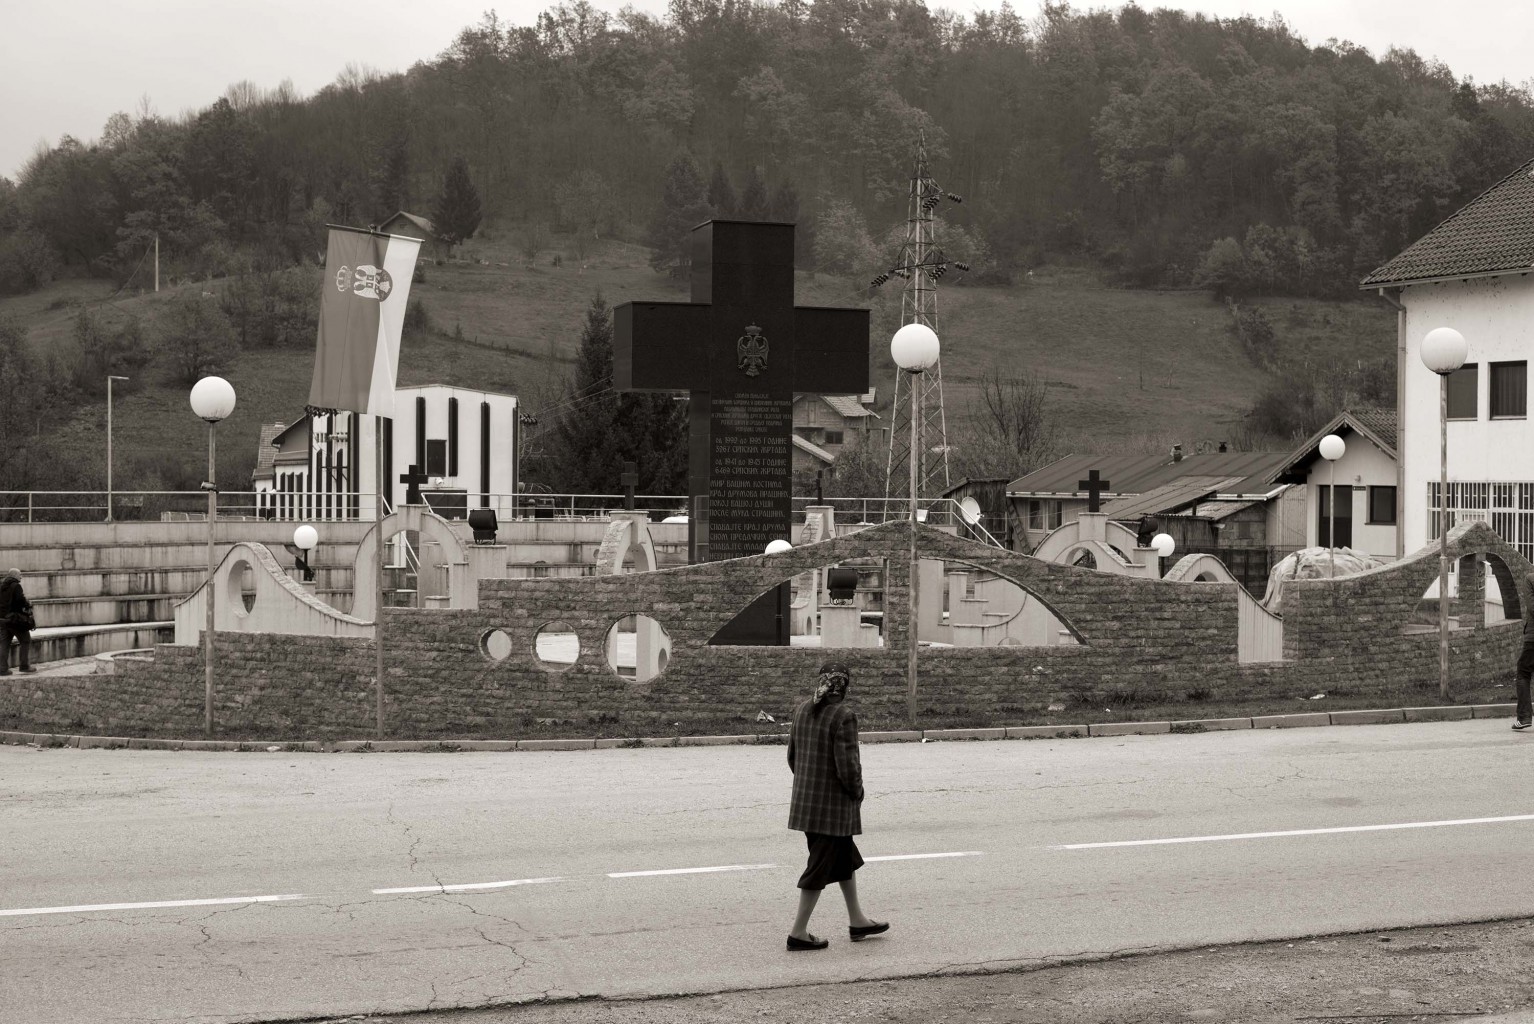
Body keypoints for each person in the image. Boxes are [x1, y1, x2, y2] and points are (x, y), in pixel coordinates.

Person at [785, 661, 887, 951]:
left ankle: (858, 921)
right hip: (832, 808)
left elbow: (792, 758)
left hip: (807, 803)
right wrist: (858, 792)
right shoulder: (843, 715)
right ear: (844, 687)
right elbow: (848, 768)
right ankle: (798, 933)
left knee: (844, 861)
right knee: (818, 869)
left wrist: (809, 784)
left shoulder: (803, 709)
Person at [0, 567, 36, 676]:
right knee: (25, 640)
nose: (21, 576)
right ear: (15, 575)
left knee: (4, 644)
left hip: (2, 619)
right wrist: (27, 604)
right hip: (14, 620)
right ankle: (24, 666)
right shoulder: (16, 586)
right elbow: (20, 601)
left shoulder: (1, 586)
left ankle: (2, 669)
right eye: (20, 574)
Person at [1515, 571, 1534, 731]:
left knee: (1523, 673)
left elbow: (1532, 607)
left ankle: (1524, 717)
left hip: (1533, 637)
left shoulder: (1530, 578)